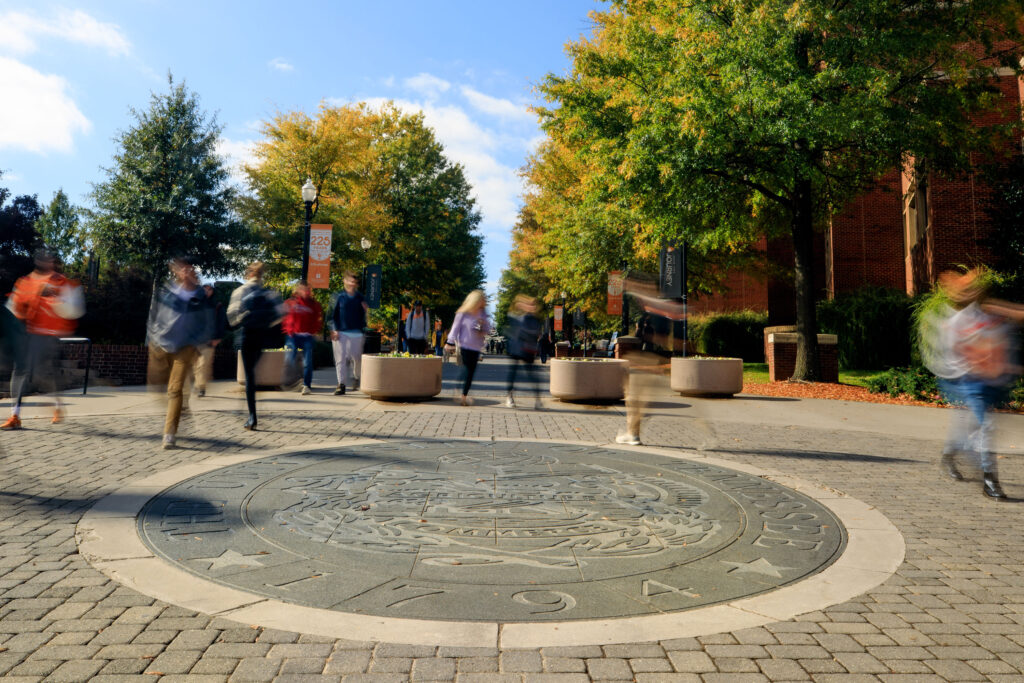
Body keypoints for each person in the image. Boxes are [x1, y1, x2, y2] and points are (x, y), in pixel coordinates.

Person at [923, 269, 1023, 499]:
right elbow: (956, 358)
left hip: (992, 382)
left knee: (968, 428)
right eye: (965, 289)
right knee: (985, 426)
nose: (971, 292)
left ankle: (949, 454)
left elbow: (1014, 319)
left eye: (973, 287)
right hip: (968, 381)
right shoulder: (955, 324)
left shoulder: (989, 313)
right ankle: (990, 480)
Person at [1, 249, 85, 430]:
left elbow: (75, 309)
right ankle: (15, 415)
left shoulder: (61, 282)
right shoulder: (26, 282)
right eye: (42, 259)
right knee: (20, 371)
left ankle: (57, 406)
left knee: (45, 373)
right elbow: (13, 306)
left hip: (48, 336)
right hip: (26, 334)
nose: (46, 262)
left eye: (49, 259)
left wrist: (55, 299)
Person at [146, 257, 214, 448]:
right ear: (176, 270)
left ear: (193, 271)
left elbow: (208, 323)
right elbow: (154, 316)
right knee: (158, 388)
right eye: (182, 268)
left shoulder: (200, 296)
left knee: (174, 389)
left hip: (186, 347)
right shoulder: (167, 292)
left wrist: (199, 342)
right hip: (162, 344)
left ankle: (169, 433)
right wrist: (153, 336)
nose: (186, 271)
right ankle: (180, 409)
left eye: (189, 268)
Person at [227, 262, 285, 430]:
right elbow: (281, 314)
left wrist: (242, 319)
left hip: (247, 335)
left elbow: (232, 316)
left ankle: (252, 416)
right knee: (253, 373)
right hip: (262, 336)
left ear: (248, 274)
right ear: (261, 275)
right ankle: (250, 412)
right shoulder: (268, 293)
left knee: (250, 375)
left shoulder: (240, 291)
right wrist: (267, 325)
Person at [445, 289, 491, 406]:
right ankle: (462, 395)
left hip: (476, 347)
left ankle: (462, 394)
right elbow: (455, 328)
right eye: (481, 300)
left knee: (470, 372)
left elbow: (487, 329)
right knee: (468, 369)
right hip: (465, 345)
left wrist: (483, 326)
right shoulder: (463, 313)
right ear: (476, 300)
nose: (483, 302)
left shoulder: (482, 313)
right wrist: (449, 342)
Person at [328, 271, 368, 395]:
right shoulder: (338, 296)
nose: (352, 284)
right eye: (350, 281)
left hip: (356, 333)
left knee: (357, 358)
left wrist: (365, 313)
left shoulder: (360, 298)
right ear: (345, 281)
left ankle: (356, 377)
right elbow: (330, 315)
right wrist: (333, 328)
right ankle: (341, 384)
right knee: (340, 359)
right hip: (341, 332)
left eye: (354, 282)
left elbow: (364, 317)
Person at [283, 280, 323, 395]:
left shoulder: (314, 305)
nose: (306, 292)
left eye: (308, 290)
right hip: (293, 336)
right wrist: (288, 330)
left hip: (307, 337)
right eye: (304, 289)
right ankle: (292, 381)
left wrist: (313, 331)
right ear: (298, 290)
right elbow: (285, 317)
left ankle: (306, 385)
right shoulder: (291, 302)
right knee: (289, 359)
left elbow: (318, 320)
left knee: (307, 362)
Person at [504, 294, 543, 409]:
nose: (532, 307)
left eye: (533, 305)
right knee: (513, 374)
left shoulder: (535, 320)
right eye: (530, 305)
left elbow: (534, 333)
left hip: (528, 349)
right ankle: (509, 397)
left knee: (532, 375)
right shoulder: (518, 317)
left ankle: (538, 399)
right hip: (516, 349)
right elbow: (510, 317)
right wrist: (518, 307)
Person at [189, 284, 227, 399]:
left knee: (203, 364)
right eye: (204, 288)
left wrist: (218, 338)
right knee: (196, 365)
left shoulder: (217, 306)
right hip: (195, 340)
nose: (206, 291)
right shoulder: (195, 304)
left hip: (210, 341)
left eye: (209, 289)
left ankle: (201, 388)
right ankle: (198, 384)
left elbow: (222, 322)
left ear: (212, 291)